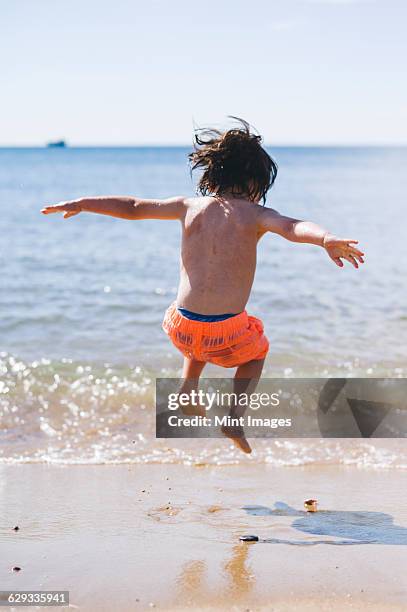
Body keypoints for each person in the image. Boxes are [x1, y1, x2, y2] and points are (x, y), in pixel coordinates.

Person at [41, 118, 364, 453]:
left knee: (200, 336)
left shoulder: (187, 206)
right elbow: (293, 227)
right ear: (256, 182)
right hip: (225, 331)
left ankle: (187, 388)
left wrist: (82, 202)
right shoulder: (256, 214)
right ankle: (234, 417)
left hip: (179, 326)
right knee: (257, 351)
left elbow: (133, 207)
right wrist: (325, 238)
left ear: (212, 176)